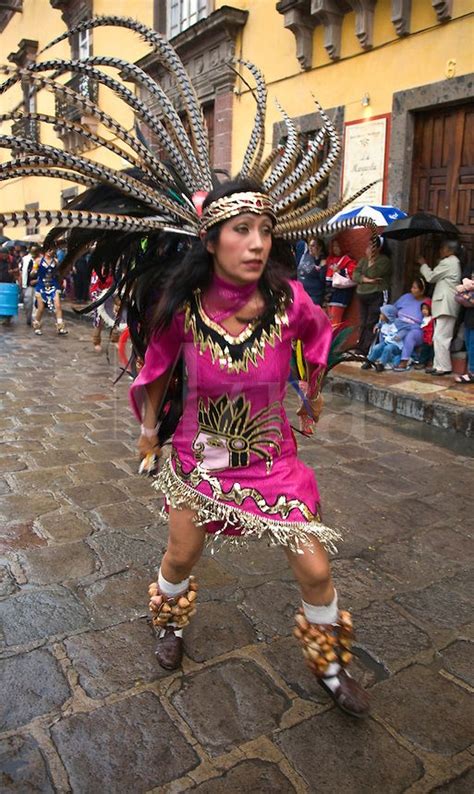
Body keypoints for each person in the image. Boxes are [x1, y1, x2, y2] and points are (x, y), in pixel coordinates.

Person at [131, 179, 370, 717]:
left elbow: (316, 338)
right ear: (212, 240)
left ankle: (331, 664)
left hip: (273, 465)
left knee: (315, 569)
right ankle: (168, 623)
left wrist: (311, 390)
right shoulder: (184, 310)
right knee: (181, 555)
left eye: (265, 231)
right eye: (242, 231)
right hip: (201, 464)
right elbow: (157, 372)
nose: (258, 243)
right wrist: (150, 431)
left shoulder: (289, 301)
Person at [418, 240, 461, 376]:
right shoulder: (453, 262)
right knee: (439, 336)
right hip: (445, 305)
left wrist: (423, 264)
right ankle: (438, 365)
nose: (441, 250)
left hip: (445, 304)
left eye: (443, 248)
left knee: (442, 336)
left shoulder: (449, 262)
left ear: (450, 250)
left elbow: (430, 277)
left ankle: (443, 367)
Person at [353, 237, 392, 355]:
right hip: (362, 294)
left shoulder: (384, 261)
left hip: (376, 294)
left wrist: (371, 262)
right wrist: (367, 280)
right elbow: (355, 274)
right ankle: (360, 346)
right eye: (369, 245)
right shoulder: (363, 260)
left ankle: (367, 348)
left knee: (372, 321)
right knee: (363, 321)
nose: (370, 248)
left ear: (379, 248)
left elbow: (374, 273)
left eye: (373, 246)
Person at [391, 277, 427, 371]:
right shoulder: (406, 297)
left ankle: (404, 361)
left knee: (410, 335)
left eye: (415, 288)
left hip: (415, 329)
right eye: (412, 287)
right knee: (385, 328)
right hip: (399, 325)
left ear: (422, 290)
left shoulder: (426, 302)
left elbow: (427, 321)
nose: (412, 290)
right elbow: (393, 309)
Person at [32, 246, 68, 336]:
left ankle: (60, 327)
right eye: (48, 249)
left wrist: (63, 281)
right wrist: (34, 271)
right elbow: (32, 272)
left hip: (53, 285)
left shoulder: (55, 261)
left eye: (52, 250)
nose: (50, 251)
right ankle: (37, 325)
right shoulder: (38, 260)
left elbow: (59, 273)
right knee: (41, 308)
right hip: (41, 286)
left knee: (58, 305)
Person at [362, 304, 404, 371]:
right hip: (386, 342)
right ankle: (369, 361)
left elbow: (406, 329)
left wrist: (400, 335)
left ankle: (381, 364)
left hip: (396, 345)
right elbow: (380, 324)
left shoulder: (398, 323)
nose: (380, 316)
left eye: (382, 314)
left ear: (388, 315)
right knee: (377, 347)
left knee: (388, 348)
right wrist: (377, 325)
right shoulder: (384, 322)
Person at [325, 239, 357, 327]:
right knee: (328, 322)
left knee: (335, 323)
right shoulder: (330, 260)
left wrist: (340, 271)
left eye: (338, 246)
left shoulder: (348, 260)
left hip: (340, 296)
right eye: (334, 246)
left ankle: (334, 340)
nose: (336, 249)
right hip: (329, 295)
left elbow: (353, 274)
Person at [454, 261, 474, 384]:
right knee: (469, 340)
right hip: (470, 311)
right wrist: (466, 282)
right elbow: (464, 275)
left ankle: (472, 372)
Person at [297, 237, 327, 307]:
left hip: (314, 297)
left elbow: (323, 279)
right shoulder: (305, 255)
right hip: (301, 294)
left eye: (313, 246)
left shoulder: (322, 261)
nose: (310, 248)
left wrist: (321, 265)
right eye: (309, 245)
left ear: (319, 248)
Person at [21, 244, 40, 325]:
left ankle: (35, 320)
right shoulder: (25, 259)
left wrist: (37, 280)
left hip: (39, 285)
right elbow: (22, 271)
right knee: (28, 302)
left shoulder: (41, 260)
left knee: (36, 304)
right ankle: (29, 318)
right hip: (28, 285)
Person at [413, 299, 435, 369]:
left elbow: (431, 330)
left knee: (430, 352)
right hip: (424, 339)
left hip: (429, 340)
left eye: (426, 309)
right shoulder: (424, 318)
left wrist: (430, 339)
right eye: (423, 309)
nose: (424, 311)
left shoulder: (431, 319)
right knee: (424, 351)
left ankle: (428, 363)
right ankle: (422, 363)